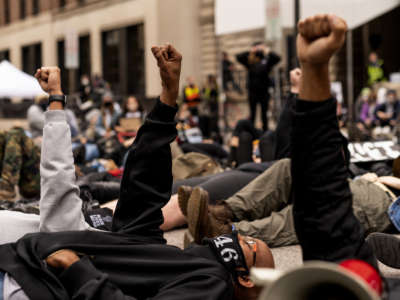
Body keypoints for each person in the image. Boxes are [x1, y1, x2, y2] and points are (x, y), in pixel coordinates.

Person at [0, 45, 274, 300]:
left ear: (246, 278)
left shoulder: (213, 281)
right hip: (20, 263)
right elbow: (145, 180)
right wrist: (168, 97)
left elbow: (62, 221)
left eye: (248, 243)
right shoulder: (165, 258)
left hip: (23, 283)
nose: (237, 235)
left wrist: (77, 270)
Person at [236, 42, 281, 131]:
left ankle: (265, 132)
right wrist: (251, 51)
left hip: (264, 91)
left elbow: (278, 58)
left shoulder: (267, 59)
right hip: (252, 91)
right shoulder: (251, 60)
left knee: (264, 114)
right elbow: (238, 57)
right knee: (252, 114)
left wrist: (267, 51)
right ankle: (252, 132)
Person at [0, 128, 40, 202]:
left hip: (40, 184)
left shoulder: (14, 135)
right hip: (28, 190)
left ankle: (7, 189)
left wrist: (6, 189)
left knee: (15, 134)